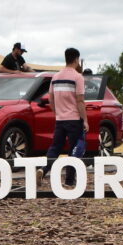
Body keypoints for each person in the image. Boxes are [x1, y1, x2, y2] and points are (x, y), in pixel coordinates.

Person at [42, 47, 86, 185]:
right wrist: (85, 120)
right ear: (76, 59)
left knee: (55, 147)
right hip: (74, 120)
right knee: (73, 150)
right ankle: (69, 180)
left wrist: (57, 112)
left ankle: (43, 170)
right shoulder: (78, 77)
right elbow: (80, 101)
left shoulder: (55, 77)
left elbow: (50, 98)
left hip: (60, 119)